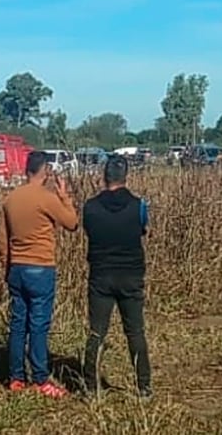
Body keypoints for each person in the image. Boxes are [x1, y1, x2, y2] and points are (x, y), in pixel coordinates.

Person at [0, 151, 79, 398]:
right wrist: (65, 197)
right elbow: (72, 223)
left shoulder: (11, 198)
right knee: (39, 325)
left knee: (18, 324)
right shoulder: (47, 197)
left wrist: (7, 266)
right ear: (45, 171)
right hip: (41, 268)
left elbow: (2, 239)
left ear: (27, 170)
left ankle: (15, 378)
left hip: (16, 268)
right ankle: (41, 379)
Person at [82, 155, 152, 399]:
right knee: (135, 332)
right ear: (126, 177)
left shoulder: (90, 207)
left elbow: (89, 230)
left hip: (100, 276)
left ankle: (91, 388)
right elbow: (144, 229)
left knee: (96, 332)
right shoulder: (139, 205)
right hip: (131, 275)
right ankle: (144, 387)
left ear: (104, 176)